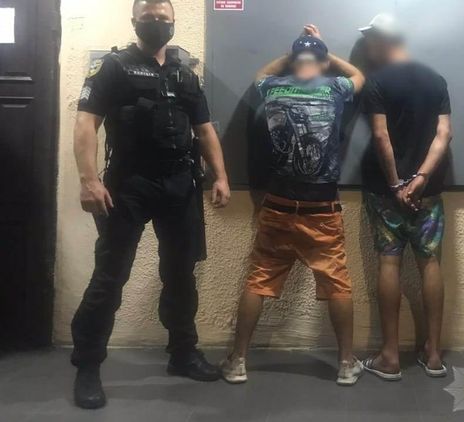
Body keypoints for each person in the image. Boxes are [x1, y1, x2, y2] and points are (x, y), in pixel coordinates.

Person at [71, 0, 231, 409]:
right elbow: (86, 122)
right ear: (134, 22)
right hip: (128, 185)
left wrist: (221, 176)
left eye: (164, 19)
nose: (157, 24)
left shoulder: (184, 73)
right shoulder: (113, 67)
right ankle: (87, 365)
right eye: (149, 18)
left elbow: (205, 129)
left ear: (173, 23)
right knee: (110, 276)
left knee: (180, 274)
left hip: (179, 184)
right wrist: (89, 181)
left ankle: (183, 353)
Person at [220, 25, 366, 386]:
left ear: (294, 60)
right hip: (323, 207)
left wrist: (292, 52)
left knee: (258, 280)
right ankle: (346, 364)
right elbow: (358, 75)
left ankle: (238, 361)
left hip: (278, 203)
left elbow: (261, 73)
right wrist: (325, 51)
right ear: (321, 61)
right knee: (338, 284)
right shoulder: (335, 88)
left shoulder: (273, 87)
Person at [357, 14, 453, 380]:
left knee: (389, 262)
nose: (368, 47)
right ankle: (434, 354)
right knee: (430, 263)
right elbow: (444, 135)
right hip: (428, 192)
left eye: (370, 39)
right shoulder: (436, 79)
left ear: (384, 40)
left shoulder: (377, 82)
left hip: (386, 193)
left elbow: (382, 137)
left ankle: (390, 356)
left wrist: (397, 183)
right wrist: (422, 177)